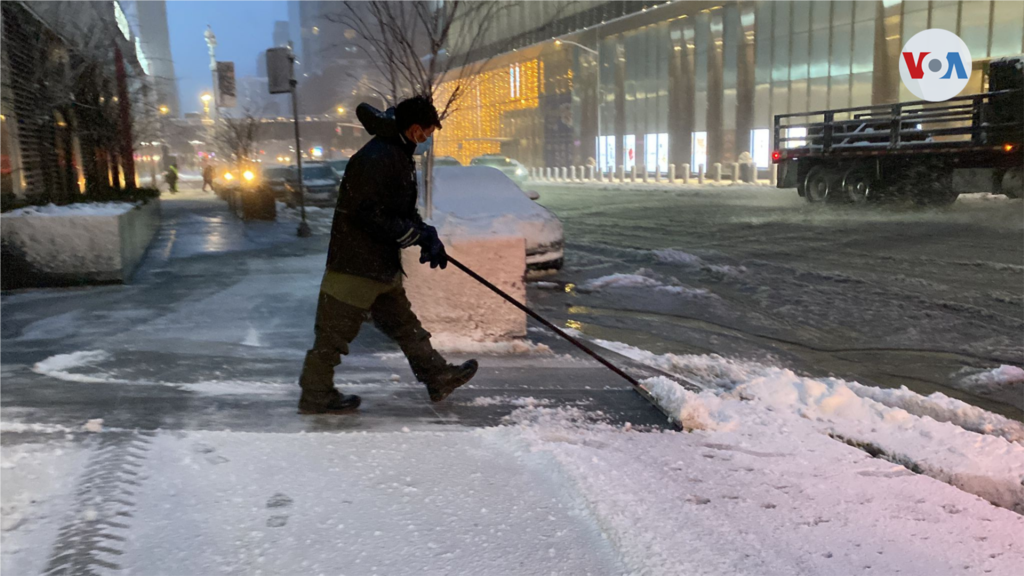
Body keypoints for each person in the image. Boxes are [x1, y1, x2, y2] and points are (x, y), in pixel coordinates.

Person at [297, 95, 478, 415]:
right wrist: (415, 235)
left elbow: (399, 211)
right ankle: (315, 394)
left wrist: (427, 235)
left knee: (407, 327)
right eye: (425, 132)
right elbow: (367, 213)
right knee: (332, 338)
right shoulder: (378, 157)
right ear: (411, 129)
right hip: (354, 267)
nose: (427, 139)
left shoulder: (397, 153)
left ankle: (437, 377)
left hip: (380, 267)